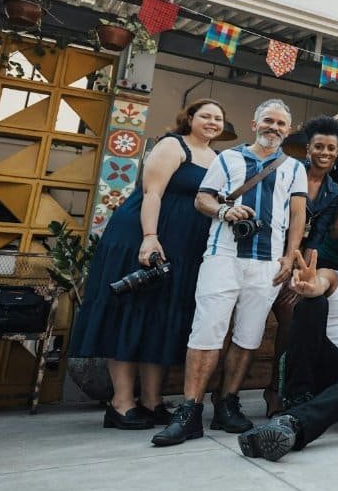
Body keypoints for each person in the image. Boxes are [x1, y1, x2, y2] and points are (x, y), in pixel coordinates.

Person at [153, 99, 308, 447]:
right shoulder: (229, 158)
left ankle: (228, 402)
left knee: (249, 336)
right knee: (206, 331)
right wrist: (226, 211)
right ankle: (190, 411)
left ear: (288, 129)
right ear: (254, 124)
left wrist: (290, 256)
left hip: (268, 262)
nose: (275, 128)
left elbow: (298, 216)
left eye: (282, 124)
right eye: (268, 121)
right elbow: (202, 199)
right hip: (223, 255)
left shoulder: (295, 168)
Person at [71, 99, 225, 430]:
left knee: (161, 317)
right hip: (143, 236)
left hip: (184, 248)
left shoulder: (217, 158)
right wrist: (150, 236)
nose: (212, 122)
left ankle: (152, 401)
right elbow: (152, 193)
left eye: (218, 118)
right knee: (131, 313)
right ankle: (121, 403)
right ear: (190, 118)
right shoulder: (173, 145)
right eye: (206, 116)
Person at [237, 228, 338, 461]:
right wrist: (311, 288)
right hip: (312, 359)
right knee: (312, 303)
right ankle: (297, 398)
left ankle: (292, 423)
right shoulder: (333, 276)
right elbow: (319, 283)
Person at [266, 115, 338, 417]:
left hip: (299, 263)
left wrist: (298, 270)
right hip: (269, 254)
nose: (325, 153)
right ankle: (224, 396)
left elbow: (320, 235)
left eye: (331, 148)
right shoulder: (288, 173)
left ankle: (276, 390)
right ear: (308, 149)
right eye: (319, 147)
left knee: (289, 328)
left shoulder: (334, 191)